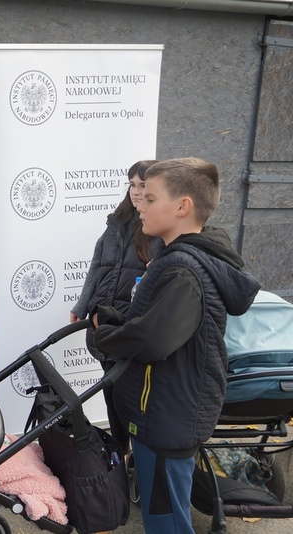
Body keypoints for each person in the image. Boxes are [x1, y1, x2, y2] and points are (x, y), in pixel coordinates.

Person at [92, 157, 261, 533]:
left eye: (150, 199)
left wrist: (104, 335)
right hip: (165, 410)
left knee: (166, 520)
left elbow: (155, 339)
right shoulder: (178, 259)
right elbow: (161, 324)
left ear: (183, 206)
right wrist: (120, 321)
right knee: (162, 512)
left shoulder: (183, 269)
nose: (141, 205)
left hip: (166, 416)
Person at [70, 159, 162, 455]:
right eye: (132, 184)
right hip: (103, 322)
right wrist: (83, 306)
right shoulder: (116, 223)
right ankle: (119, 456)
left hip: (129, 326)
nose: (136, 191)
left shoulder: (158, 227)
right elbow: (97, 266)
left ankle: (129, 454)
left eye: (143, 185)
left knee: (124, 397)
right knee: (112, 395)